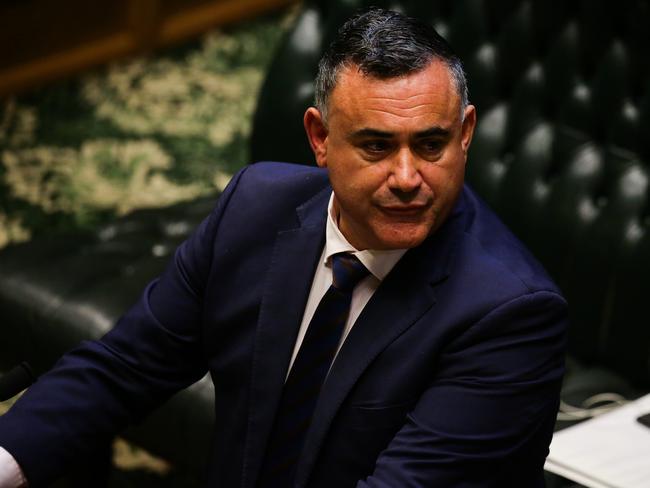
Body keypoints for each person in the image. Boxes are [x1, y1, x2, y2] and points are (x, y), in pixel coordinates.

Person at [0, 7, 567, 487]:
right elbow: (126, 365)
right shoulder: (254, 206)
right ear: (320, 139)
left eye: (431, 144)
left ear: (465, 134)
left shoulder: (510, 316)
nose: (406, 176)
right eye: (375, 145)